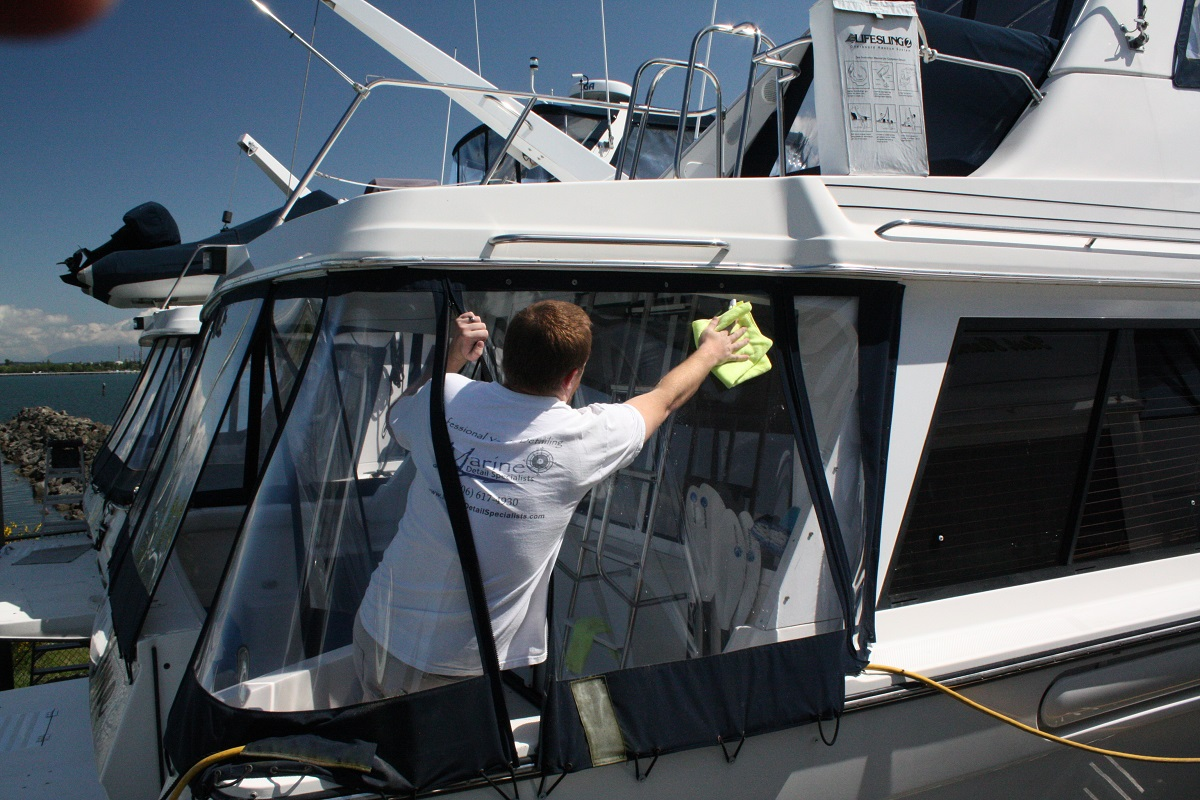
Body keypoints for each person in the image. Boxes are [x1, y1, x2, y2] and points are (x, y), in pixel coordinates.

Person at [353, 299, 748, 699]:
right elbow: (665, 398)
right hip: (453, 670)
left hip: (377, 626)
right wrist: (711, 352)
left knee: (377, 750)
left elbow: (398, 415)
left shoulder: (447, 394)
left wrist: (450, 358)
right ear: (574, 375)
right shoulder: (582, 439)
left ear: (509, 359)